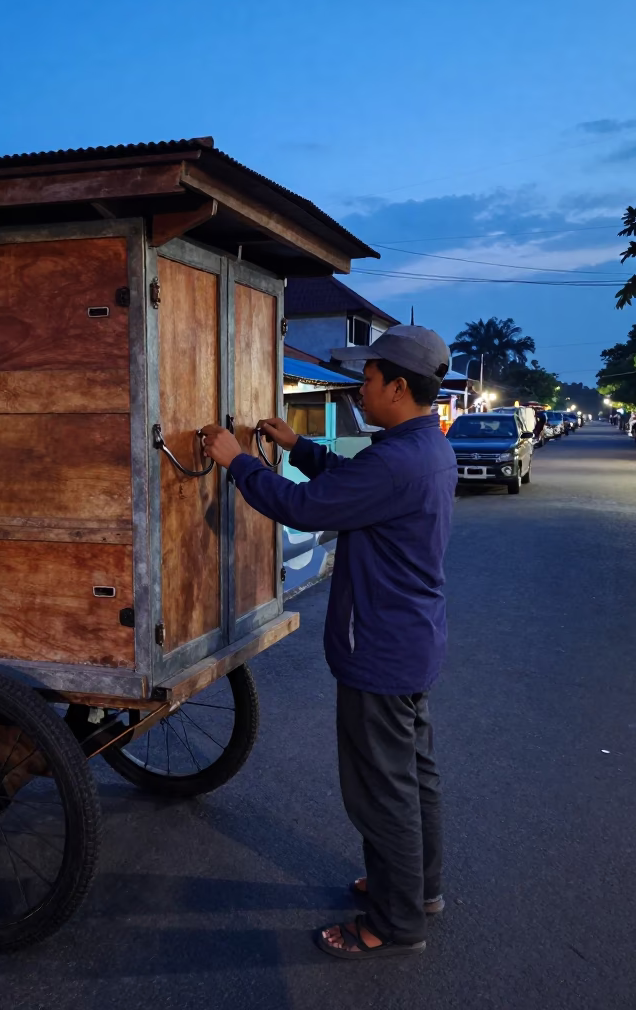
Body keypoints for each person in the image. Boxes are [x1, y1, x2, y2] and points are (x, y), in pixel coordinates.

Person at [200, 324, 457, 962]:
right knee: (413, 777)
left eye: (368, 379)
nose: (359, 390)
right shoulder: (424, 447)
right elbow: (351, 483)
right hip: (411, 639)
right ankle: (418, 890)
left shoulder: (397, 459)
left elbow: (307, 508)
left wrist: (237, 462)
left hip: (380, 647)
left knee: (382, 792)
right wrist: (299, 445)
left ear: (397, 387)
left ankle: (394, 924)